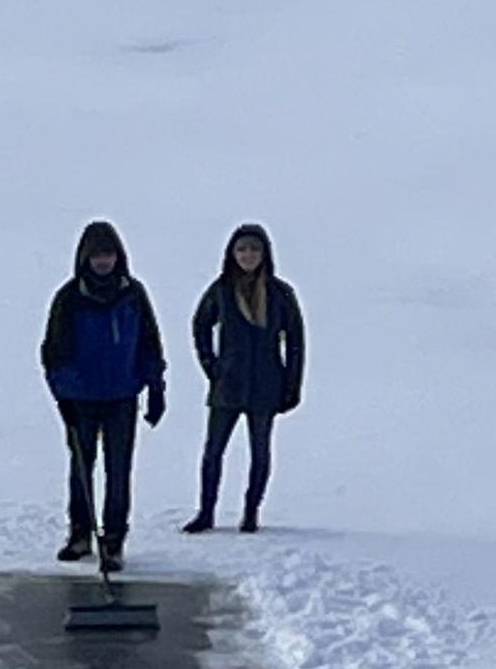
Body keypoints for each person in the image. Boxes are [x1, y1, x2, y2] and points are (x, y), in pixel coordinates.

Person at [40, 219, 169, 574]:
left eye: (108, 254)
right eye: (96, 255)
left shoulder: (133, 294)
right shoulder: (69, 298)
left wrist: (155, 387)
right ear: (85, 258)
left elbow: (149, 344)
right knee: (81, 470)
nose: (102, 262)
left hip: (122, 397)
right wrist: (63, 394)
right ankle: (80, 534)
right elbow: (54, 353)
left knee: (118, 471)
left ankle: (113, 541)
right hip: (80, 399)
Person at [184, 224, 306, 536]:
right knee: (213, 451)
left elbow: (295, 341)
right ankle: (206, 512)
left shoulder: (280, 293)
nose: (248, 255)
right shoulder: (222, 290)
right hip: (228, 384)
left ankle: (251, 513)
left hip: (266, 384)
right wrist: (211, 366)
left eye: (254, 249)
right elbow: (200, 326)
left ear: (264, 254)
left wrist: (292, 385)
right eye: (242, 250)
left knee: (260, 452)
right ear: (232, 254)